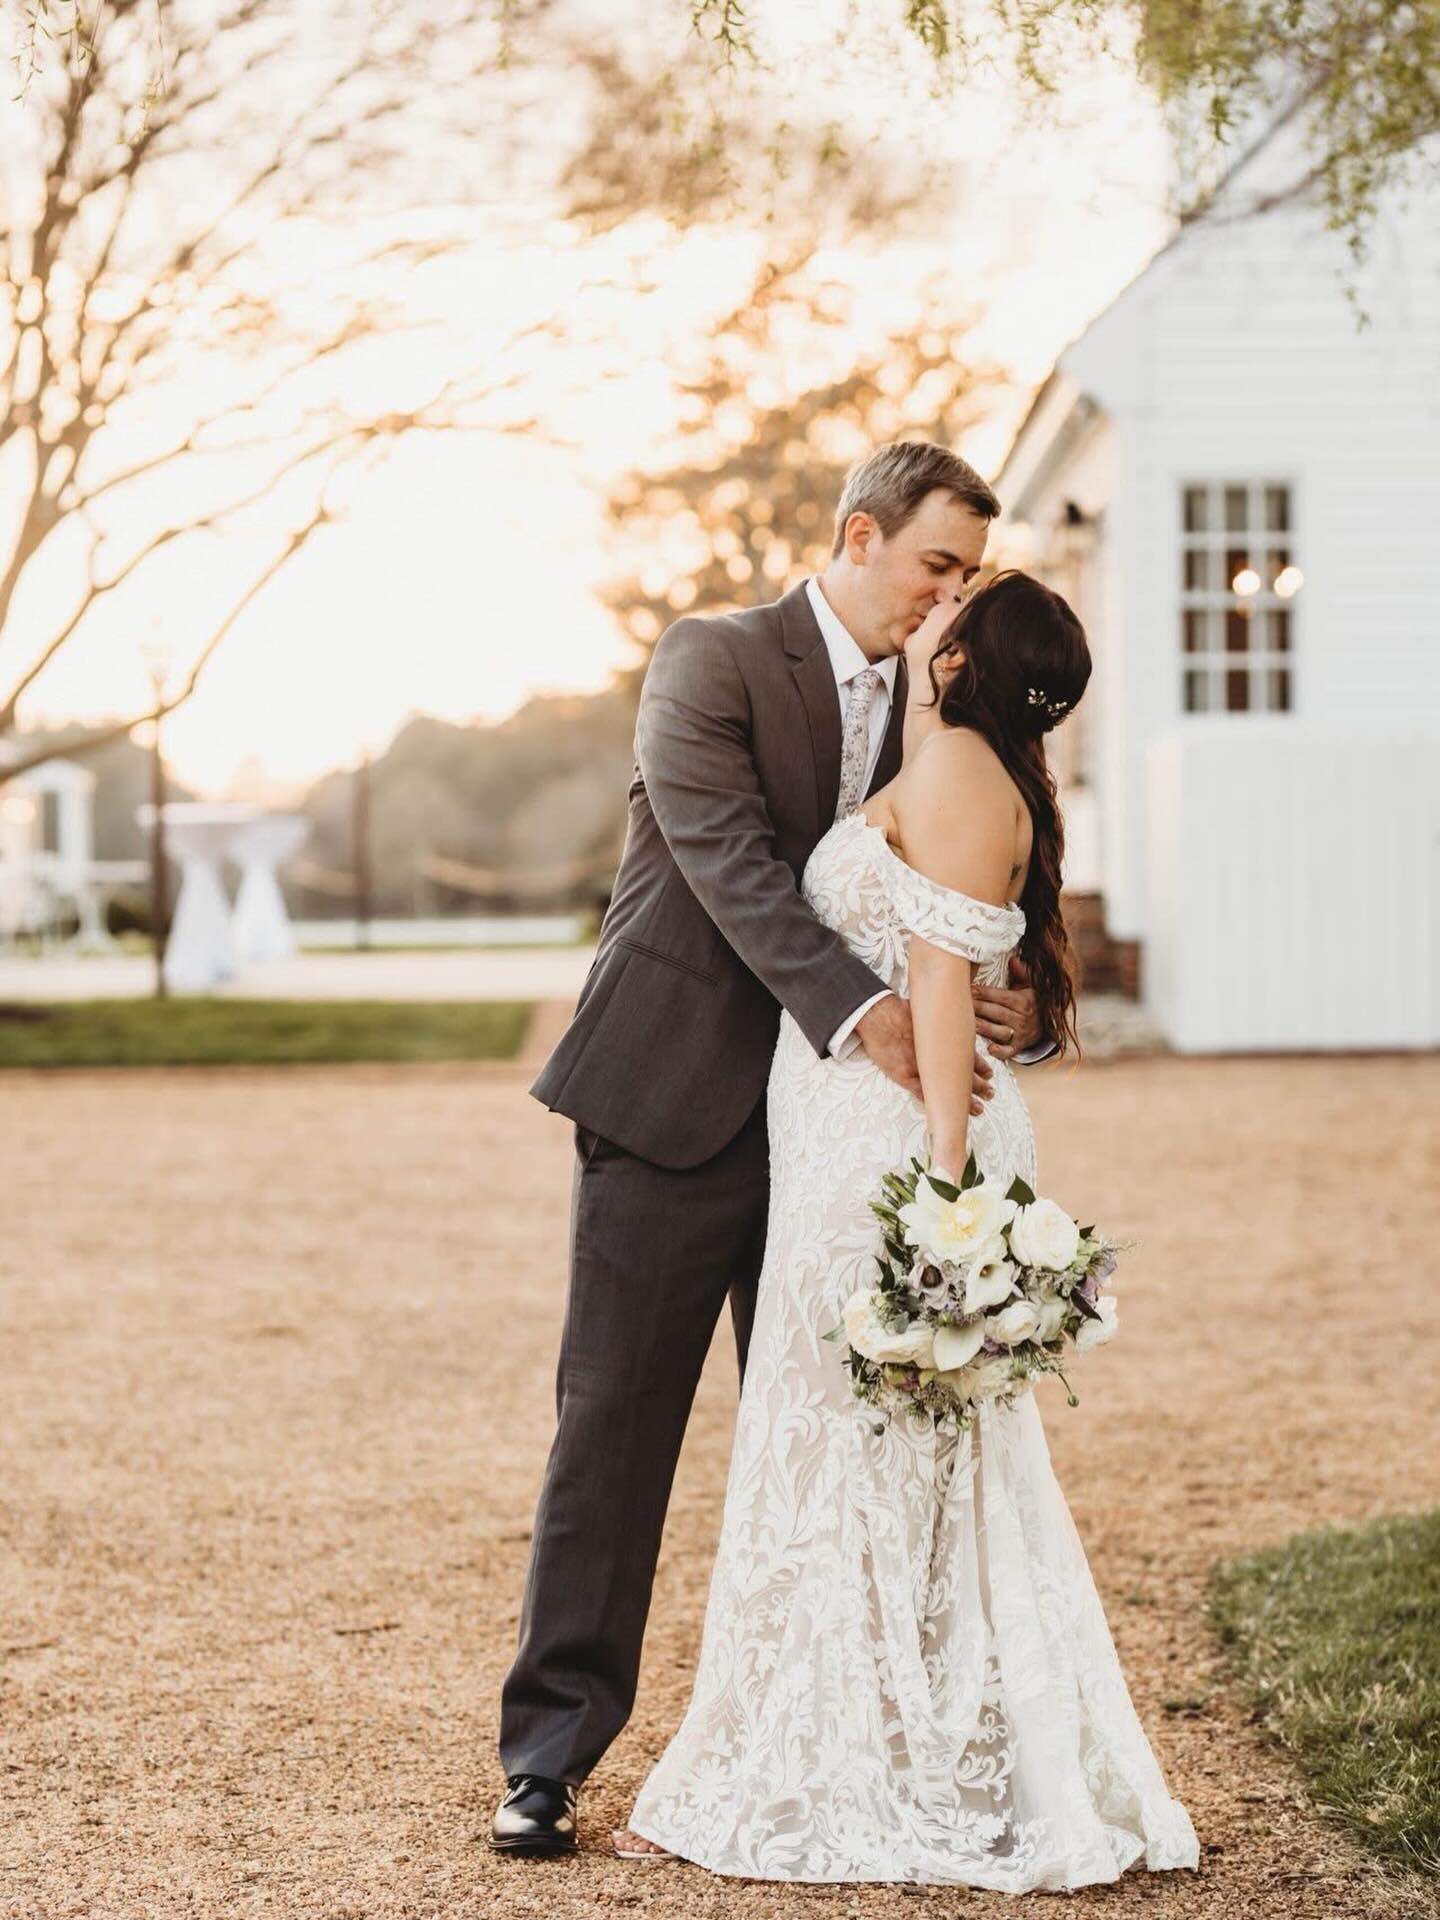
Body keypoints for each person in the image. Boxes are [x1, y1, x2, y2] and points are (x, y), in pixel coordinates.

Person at [493, 441, 1056, 1856]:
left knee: (852, 1439)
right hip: (674, 1101)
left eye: (971, 576)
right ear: (860, 537)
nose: (952, 599)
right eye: (937, 564)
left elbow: (1002, 875)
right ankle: (547, 1759)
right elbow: (725, 855)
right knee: (614, 1431)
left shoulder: (954, 711)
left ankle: (856, 1744)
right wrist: (877, 1010)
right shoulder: (712, 658)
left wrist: (1020, 994)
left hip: (842, 1144)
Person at [610, 568, 1201, 1888]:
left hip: (885, 1150)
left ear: (963, 659)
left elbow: (938, 990)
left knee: (842, 1455)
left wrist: (942, 1192)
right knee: (907, 1462)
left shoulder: (947, 773)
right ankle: (914, 1748)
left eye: (955, 605)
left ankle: (826, 1769)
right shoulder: (986, 772)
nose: (936, 608)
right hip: (856, 1137)